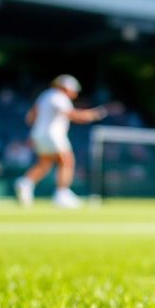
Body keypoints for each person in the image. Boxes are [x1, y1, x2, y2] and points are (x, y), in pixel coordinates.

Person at [14, 75, 107, 208]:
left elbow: (30, 117)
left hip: (38, 135)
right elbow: (71, 114)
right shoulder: (59, 96)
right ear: (65, 88)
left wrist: (36, 132)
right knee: (67, 161)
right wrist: (91, 115)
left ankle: (25, 183)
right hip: (53, 135)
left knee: (45, 163)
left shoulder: (45, 95)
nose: (74, 94)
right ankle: (62, 194)